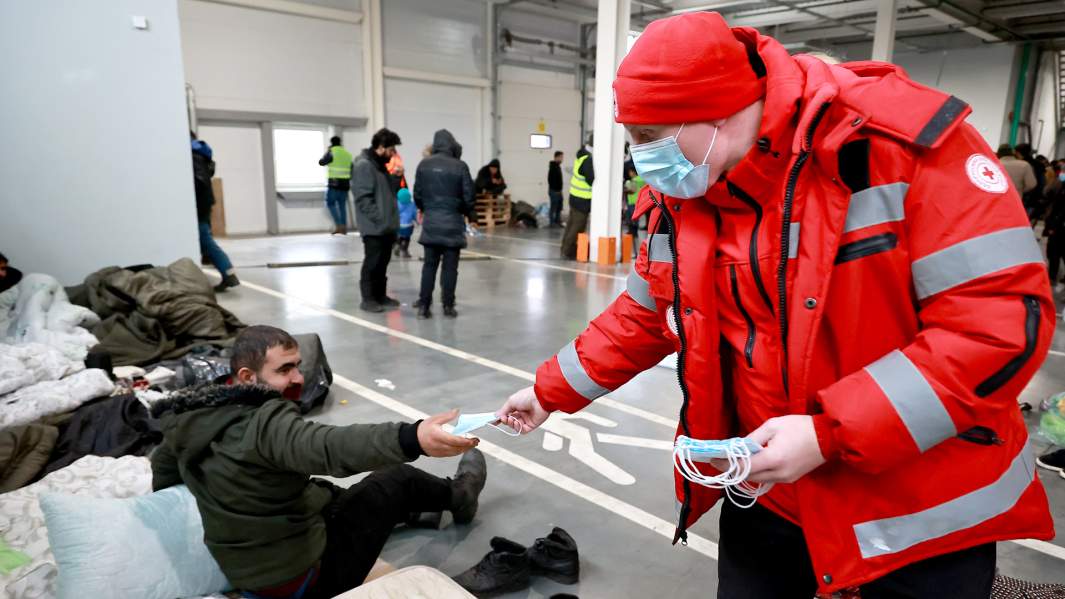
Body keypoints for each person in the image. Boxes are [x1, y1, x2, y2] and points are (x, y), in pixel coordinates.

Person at [496, 12, 1055, 598]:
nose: (643, 161)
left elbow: (999, 326)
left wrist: (829, 435)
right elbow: (643, 316)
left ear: (717, 110)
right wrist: (548, 391)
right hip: (765, 489)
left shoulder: (898, 146)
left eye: (648, 137)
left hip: (915, 509)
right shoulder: (683, 195)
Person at [151, 325, 487, 599]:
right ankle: (461, 497)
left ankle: (420, 511)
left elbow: (163, 472)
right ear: (247, 377)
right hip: (304, 582)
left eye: (298, 365)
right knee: (396, 481)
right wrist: (412, 437)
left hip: (247, 570)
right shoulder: (265, 424)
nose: (299, 378)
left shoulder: (188, 421)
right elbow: (328, 447)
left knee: (325, 492)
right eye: (285, 369)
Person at [413, 130, 476, 319]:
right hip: (453, 224)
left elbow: (417, 194)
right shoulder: (460, 166)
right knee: (450, 268)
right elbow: (468, 197)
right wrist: (463, 211)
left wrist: (428, 209)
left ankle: (424, 306)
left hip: (431, 222)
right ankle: (448, 305)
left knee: (429, 266)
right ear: (451, 144)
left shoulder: (423, 165)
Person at [353, 128, 402, 313]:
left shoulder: (378, 165)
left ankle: (380, 295)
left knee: (383, 262)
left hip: (385, 226)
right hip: (374, 227)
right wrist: (380, 220)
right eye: (391, 149)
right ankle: (368, 299)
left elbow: (388, 193)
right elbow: (363, 199)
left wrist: (396, 178)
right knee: (372, 262)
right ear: (381, 147)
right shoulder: (364, 165)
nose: (393, 154)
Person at [191, 132, 240, 293]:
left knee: (205, 239)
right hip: (204, 201)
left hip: (199, 203)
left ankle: (228, 273)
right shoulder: (200, 152)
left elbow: (198, 181)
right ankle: (227, 272)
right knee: (204, 240)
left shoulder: (192, 155)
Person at [560, 136, 594, 259]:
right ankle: (568, 252)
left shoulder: (581, 156)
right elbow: (591, 180)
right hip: (582, 200)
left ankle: (564, 249)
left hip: (574, 197)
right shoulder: (588, 160)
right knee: (577, 227)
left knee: (570, 225)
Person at [318, 136, 354, 235]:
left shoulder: (332, 152)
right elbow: (352, 168)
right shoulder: (347, 154)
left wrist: (327, 151)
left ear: (332, 142)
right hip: (345, 184)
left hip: (334, 184)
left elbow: (321, 162)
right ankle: (344, 227)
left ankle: (339, 225)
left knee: (330, 203)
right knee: (342, 206)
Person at [1016, 143, 1046, 221]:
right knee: (1026, 221)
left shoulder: (1019, 164)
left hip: (1020, 197)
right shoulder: (1039, 165)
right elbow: (1042, 183)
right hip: (1034, 198)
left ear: (1018, 152)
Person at [622, 164, 645, 255]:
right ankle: (638, 252)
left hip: (632, 205)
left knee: (631, 228)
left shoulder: (633, 181)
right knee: (637, 229)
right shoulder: (643, 180)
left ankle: (633, 253)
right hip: (640, 205)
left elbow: (631, 190)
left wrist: (624, 189)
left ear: (633, 172)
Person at [394, 187, 416, 259]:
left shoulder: (396, 203)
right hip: (408, 226)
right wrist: (416, 220)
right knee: (407, 238)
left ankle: (397, 245)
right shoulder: (412, 204)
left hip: (399, 225)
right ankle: (404, 250)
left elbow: (394, 213)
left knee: (399, 236)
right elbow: (414, 214)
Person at [548, 151, 565, 227]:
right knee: (553, 207)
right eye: (561, 157)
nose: (562, 159)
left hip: (558, 191)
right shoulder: (553, 167)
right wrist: (556, 189)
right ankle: (552, 223)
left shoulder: (558, 166)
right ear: (556, 157)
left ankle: (557, 221)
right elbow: (550, 180)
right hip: (554, 191)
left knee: (559, 207)